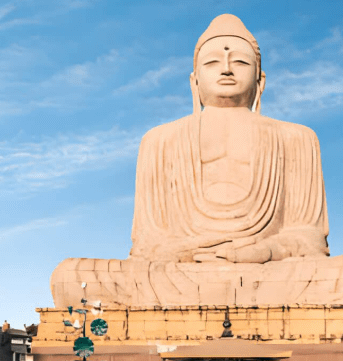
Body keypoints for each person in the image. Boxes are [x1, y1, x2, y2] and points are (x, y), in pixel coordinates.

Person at [130, 14, 328, 264]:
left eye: (240, 62)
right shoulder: (159, 141)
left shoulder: (297, 138)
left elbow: (309, 237)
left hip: (269, 267)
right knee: (88, 272)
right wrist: (186, 252)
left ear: (260, 80)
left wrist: (265, 251)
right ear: (194, 80)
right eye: (212, 62)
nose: (226, 69)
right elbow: (148, 241)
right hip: (180, 269)